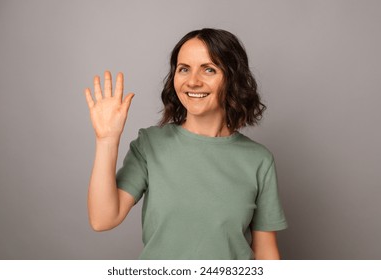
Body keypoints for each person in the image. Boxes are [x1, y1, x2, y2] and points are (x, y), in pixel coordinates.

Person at [84, 28, 287, 260]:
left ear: (232, 78)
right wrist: (107, 140)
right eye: (184, 69)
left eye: (209, 69)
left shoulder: (258, 160)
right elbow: (103, 219)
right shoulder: (150, 144)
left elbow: (266, 252)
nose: (193, 81)